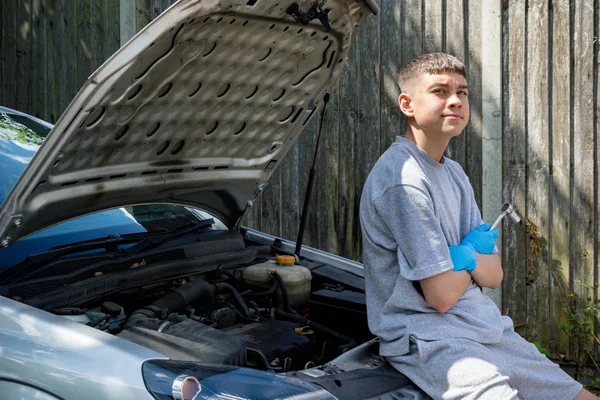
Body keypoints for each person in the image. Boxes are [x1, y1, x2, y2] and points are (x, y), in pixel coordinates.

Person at [359, 53, 597, 400]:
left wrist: (463, 258)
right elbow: (440, 297)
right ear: (407, 104)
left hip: (485, 328)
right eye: (440, 91)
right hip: (431, 339)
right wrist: (472, 255)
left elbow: (494, 275)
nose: (455, 100)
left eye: (463, 92)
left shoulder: (453, 172)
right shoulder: (404, 181)